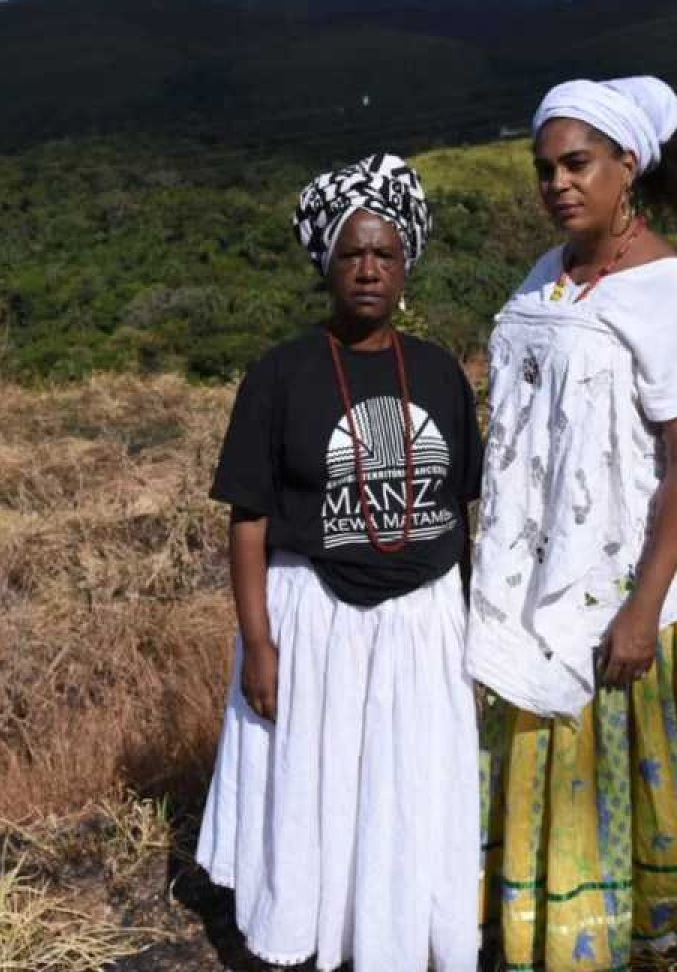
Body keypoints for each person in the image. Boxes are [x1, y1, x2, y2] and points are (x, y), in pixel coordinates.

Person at [468, 76, 677, 968]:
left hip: (616, 597)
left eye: (577, 163)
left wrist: (639, 607)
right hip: (531, 584)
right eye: (544, 168)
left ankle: (623, 940)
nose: (557, 184)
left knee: (607, 781)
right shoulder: (547, 277)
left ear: (629, 166)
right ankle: (535, 934)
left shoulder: (674, 291)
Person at [196, 153, 484, 972]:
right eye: (352, 253)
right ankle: (308, 937)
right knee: (314, 785)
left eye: (384, 254)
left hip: (420, 617)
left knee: (405, 787)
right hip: (312, 613)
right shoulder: (280, 375)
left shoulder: (438, 373)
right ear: (327, 262)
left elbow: (461, 511)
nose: (368, 269)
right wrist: (258, 643)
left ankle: (396, 940)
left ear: (406, 265)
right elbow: (248, 518)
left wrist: (458, 627)